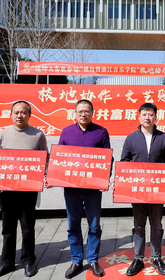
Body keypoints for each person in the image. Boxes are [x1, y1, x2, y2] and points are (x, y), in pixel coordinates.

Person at [0, 101, 48, 278]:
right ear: (11, 115)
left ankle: (28, 260)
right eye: (16, 112)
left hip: (28, 190)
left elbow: (45, 159)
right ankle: (6, 262)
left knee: (27, 227)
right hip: (7, 190)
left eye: (23, 112)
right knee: (8, 228)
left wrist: (45, 175)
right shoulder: (3, 134)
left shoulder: (38, 134)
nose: (19, 115)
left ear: (29, 115)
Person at [59, 99, 112, 278]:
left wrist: (105, 179)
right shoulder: (66, 132)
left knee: (94, 225)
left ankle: (93, 260)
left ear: (92, 113)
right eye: (80, 111)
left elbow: (108, 158)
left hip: (93, 189)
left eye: (87, 111)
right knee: (73, 225)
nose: (83, 114)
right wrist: (53, 177)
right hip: (71, 189)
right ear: (75, 113)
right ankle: (76, 260)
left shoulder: (101, 132)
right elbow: (59, 159)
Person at [120, 103, 165, 276]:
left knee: (156, 225)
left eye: (150, 114)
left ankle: (157, 258)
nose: (147, 117)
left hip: (158, 190)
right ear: (139, 117)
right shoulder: (131, 138)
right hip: (138, 190)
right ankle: (138, 258)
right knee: (138, 225)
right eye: (144, 114)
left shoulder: (163, 138)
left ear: (156, 117)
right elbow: (124, 162)